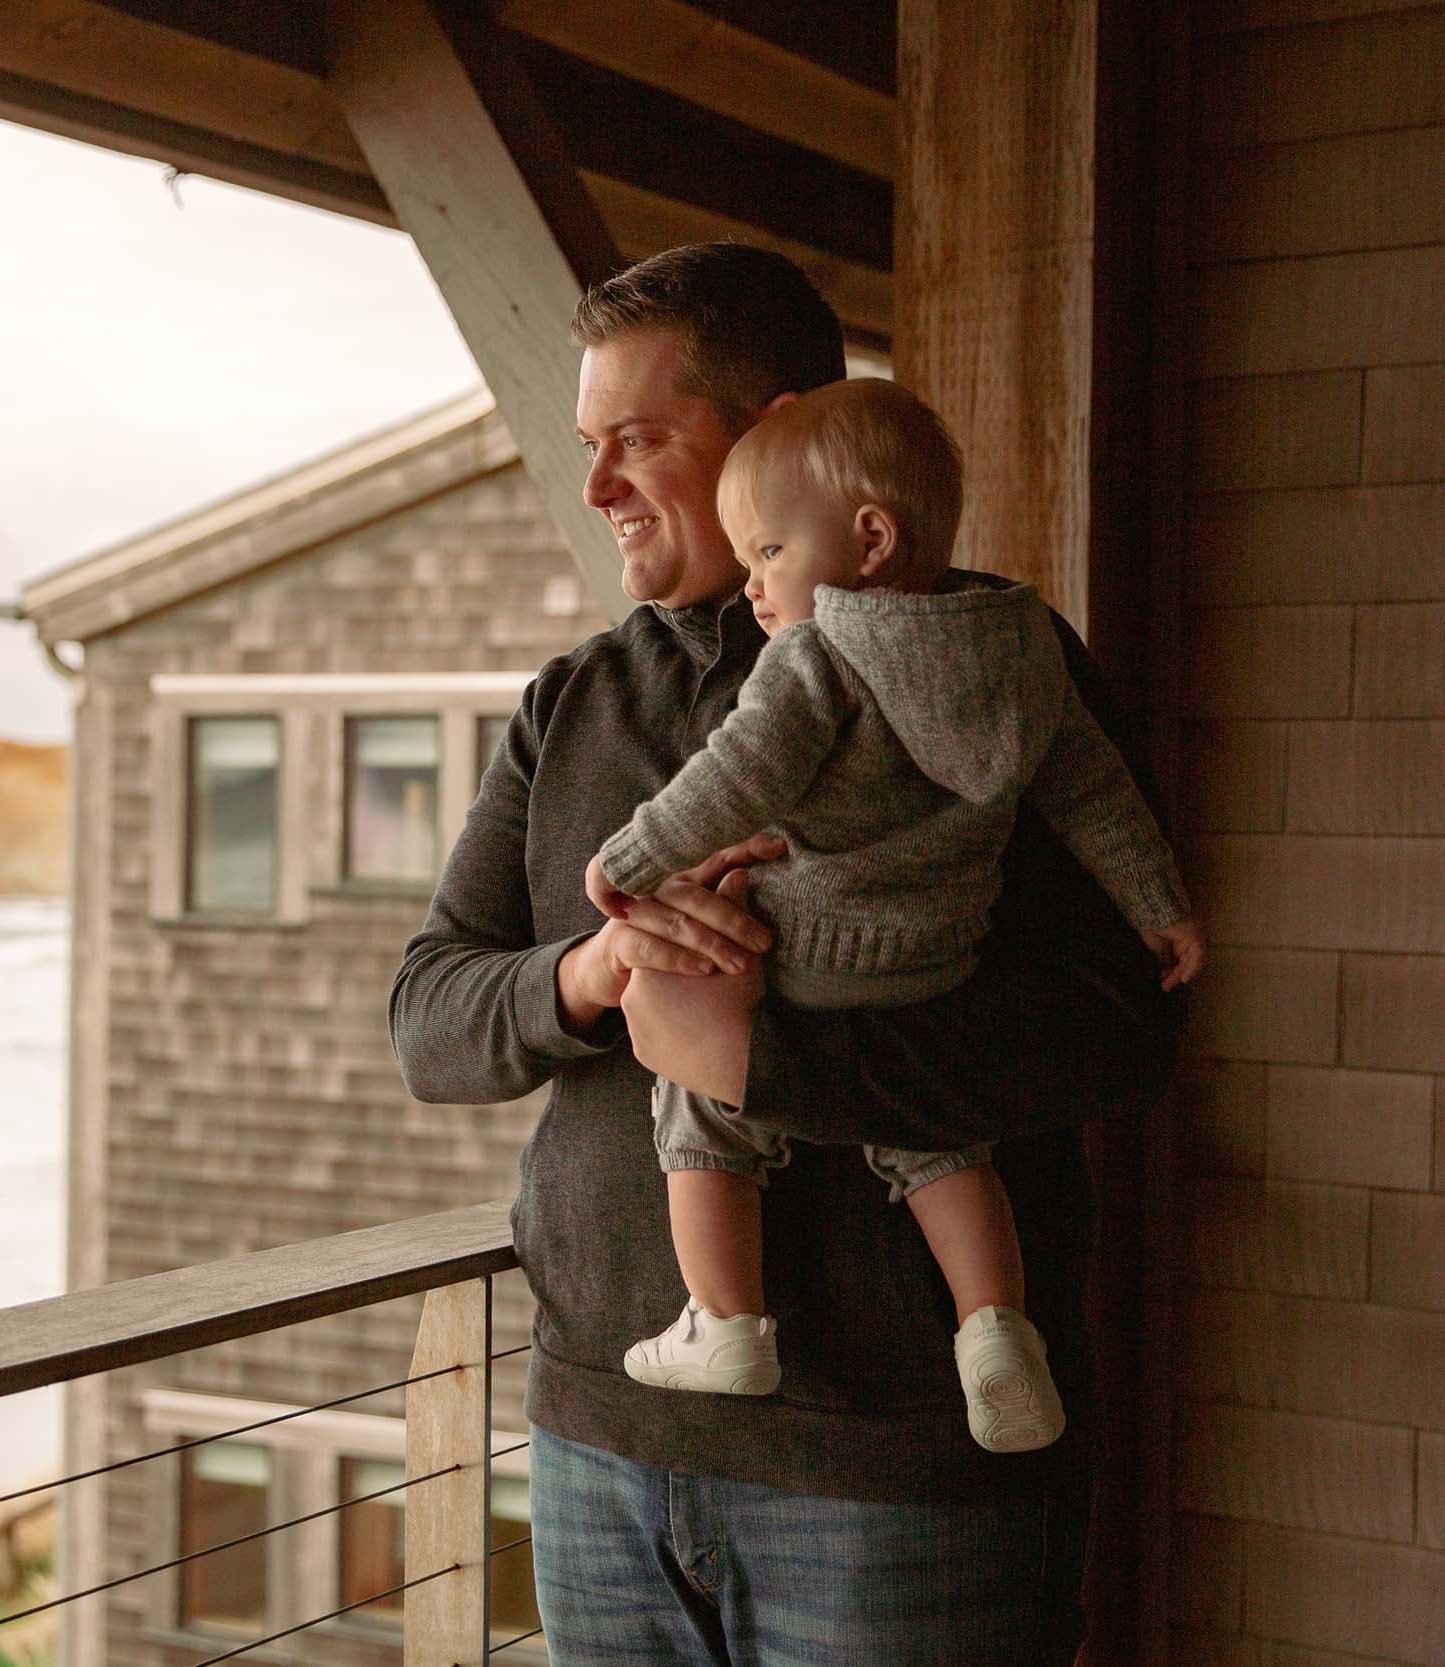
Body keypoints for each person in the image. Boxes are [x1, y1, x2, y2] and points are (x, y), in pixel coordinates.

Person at [387, 242, 1178, 1665]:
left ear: (778, 431)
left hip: (898, 1477)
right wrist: (598, 971)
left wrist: (767, 1055)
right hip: (598, 1449)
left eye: (639, 438)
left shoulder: (982, 662)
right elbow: (430, 1014)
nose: (597, 483)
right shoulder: (574, 700)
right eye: (588, 441)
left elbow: (1117, 1025)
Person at [582, 377, 1204, 1455]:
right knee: (937, 1140)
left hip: (802, 949)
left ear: (868, 539)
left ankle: (724, 1323)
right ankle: (995, 1329)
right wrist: (1159, 904)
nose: (755, 584)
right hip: (937, 959)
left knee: (697, 1102)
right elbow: (1092, 787)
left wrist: (629, 859)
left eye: (769, 552)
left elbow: (734, 778)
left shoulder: (817, 655)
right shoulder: (1022, 647)